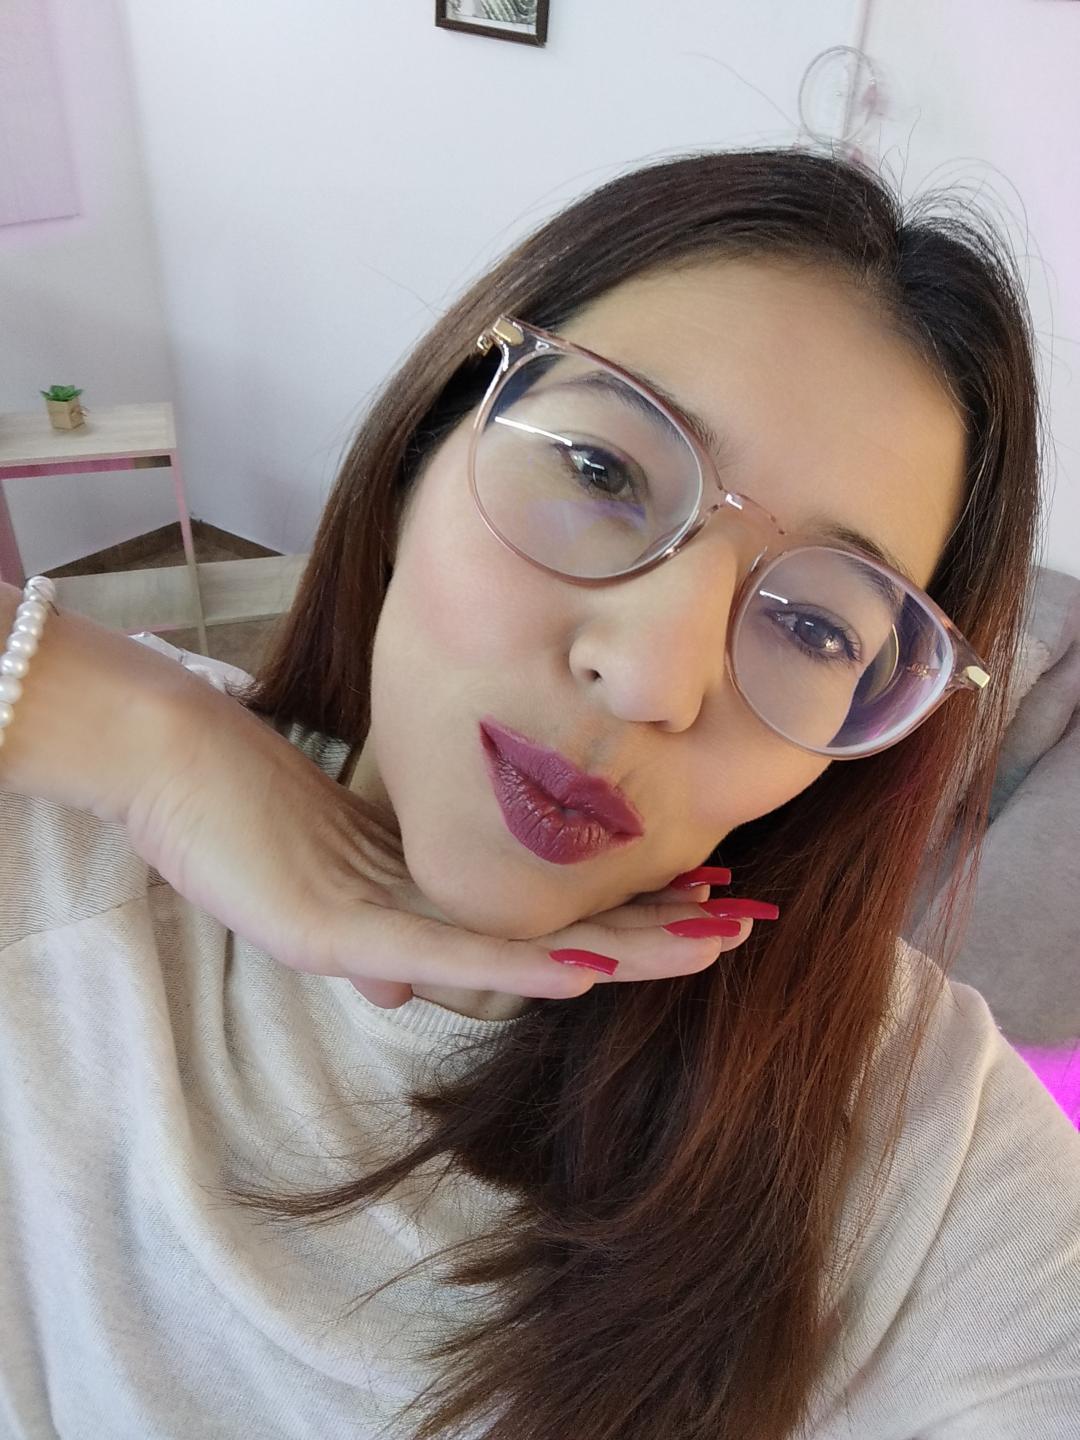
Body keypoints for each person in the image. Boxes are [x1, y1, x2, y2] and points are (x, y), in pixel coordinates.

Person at [0, 147, 1077, 1440]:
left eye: (816, 627)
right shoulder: (65, 815)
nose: (651, 676)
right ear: (424, 449)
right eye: (602, 472)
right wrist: (138, 730)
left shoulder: (913, 1144)